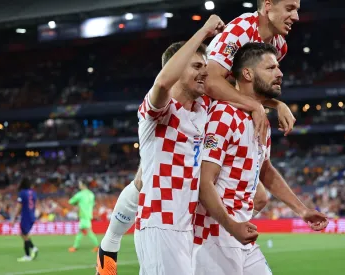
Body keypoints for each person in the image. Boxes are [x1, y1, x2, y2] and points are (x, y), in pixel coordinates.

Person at [133, 15, 258, 275]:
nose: (205, 72)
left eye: (205, 65)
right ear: (178, 69)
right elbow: (163, 82)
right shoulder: (158, 111)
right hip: (160, 224)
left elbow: (238, 91)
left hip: (187, 228)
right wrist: (203, 32)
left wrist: (272, 106)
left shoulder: (202, 110)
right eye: (196, 66)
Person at [193, 42, 329, 275]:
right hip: (215, 236)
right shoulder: (224, 115)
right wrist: (231, 225)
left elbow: (265, 170)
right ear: (247, 73)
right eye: (271, 68)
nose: (280, 73)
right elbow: (204, 183)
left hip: (241, 235)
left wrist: (302, 210)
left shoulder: (259, 118)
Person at [204, 0, 301, 215]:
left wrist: (276, 104)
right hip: (195, 105)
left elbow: (250, 88)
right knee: (150, 177)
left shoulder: (279, 45)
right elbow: (210, 80)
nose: (295, 17)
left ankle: (225, 241)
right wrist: (256, 108)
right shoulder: (241, 30)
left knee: (259, 198)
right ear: (267, 5)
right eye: (289, 8)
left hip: (224, 111)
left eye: (297, 10)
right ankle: (111, 242)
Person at [68, 180, 99, 252]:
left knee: (88, 231)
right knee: (80, 231)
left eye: (80, 184)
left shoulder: (80, 194)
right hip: (88, 214)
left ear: (83, 185)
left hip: (83, 215)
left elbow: (70, 201)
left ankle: (97, 246)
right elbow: (93, 204)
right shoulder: (91, 194)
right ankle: (75, 247)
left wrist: (77, 203)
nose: (79, 185)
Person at [13, 178, 39, 262]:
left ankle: (28, 254)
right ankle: (33, 248)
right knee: (23, 234)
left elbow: (19, 206)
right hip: (32, 215)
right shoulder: (33, 193)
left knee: (25, 235)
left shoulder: (22, 193)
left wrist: (14, 218)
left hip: (26, 216)